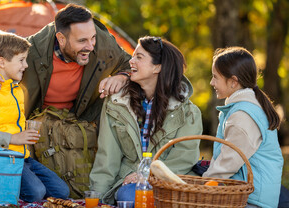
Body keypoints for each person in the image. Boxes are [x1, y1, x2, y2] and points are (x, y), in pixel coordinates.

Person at [0, 3, 132, 122]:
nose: (90, 46)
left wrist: (122, 77)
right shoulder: (32, 50)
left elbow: (132, 65)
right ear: (61, 38)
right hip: (38, 121)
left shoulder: (103, 43)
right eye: (82, 41)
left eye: (93, 37)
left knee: (125, 94)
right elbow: (1, 66)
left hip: (85, 119)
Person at [89, 36, 203, 205]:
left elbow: (183, 159)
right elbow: (107, 158)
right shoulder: (117, 104)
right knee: (129, 195)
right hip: (128, 183)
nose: (131, 62)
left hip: (168, 183)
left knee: (134, 195)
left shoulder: (188, 113)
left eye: (139, 57)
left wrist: (148, 174)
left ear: (157, 67)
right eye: (132, 56)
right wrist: (97, 199)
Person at [0, 28, 70, 202]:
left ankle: (16, 185)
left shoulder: (14, 87)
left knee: (61, 191)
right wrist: (14, 138)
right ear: (2, 62)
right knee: (36, 193)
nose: (26, 65)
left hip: (19, 156)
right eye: (21, 60)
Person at [202, 47, 283, 208]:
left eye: (215, 77)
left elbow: (228, 162)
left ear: (233, 81)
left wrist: (200, 185)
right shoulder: (240, 108)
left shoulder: (243, 115)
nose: (212, 82)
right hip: (248, 197)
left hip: (252, 201)